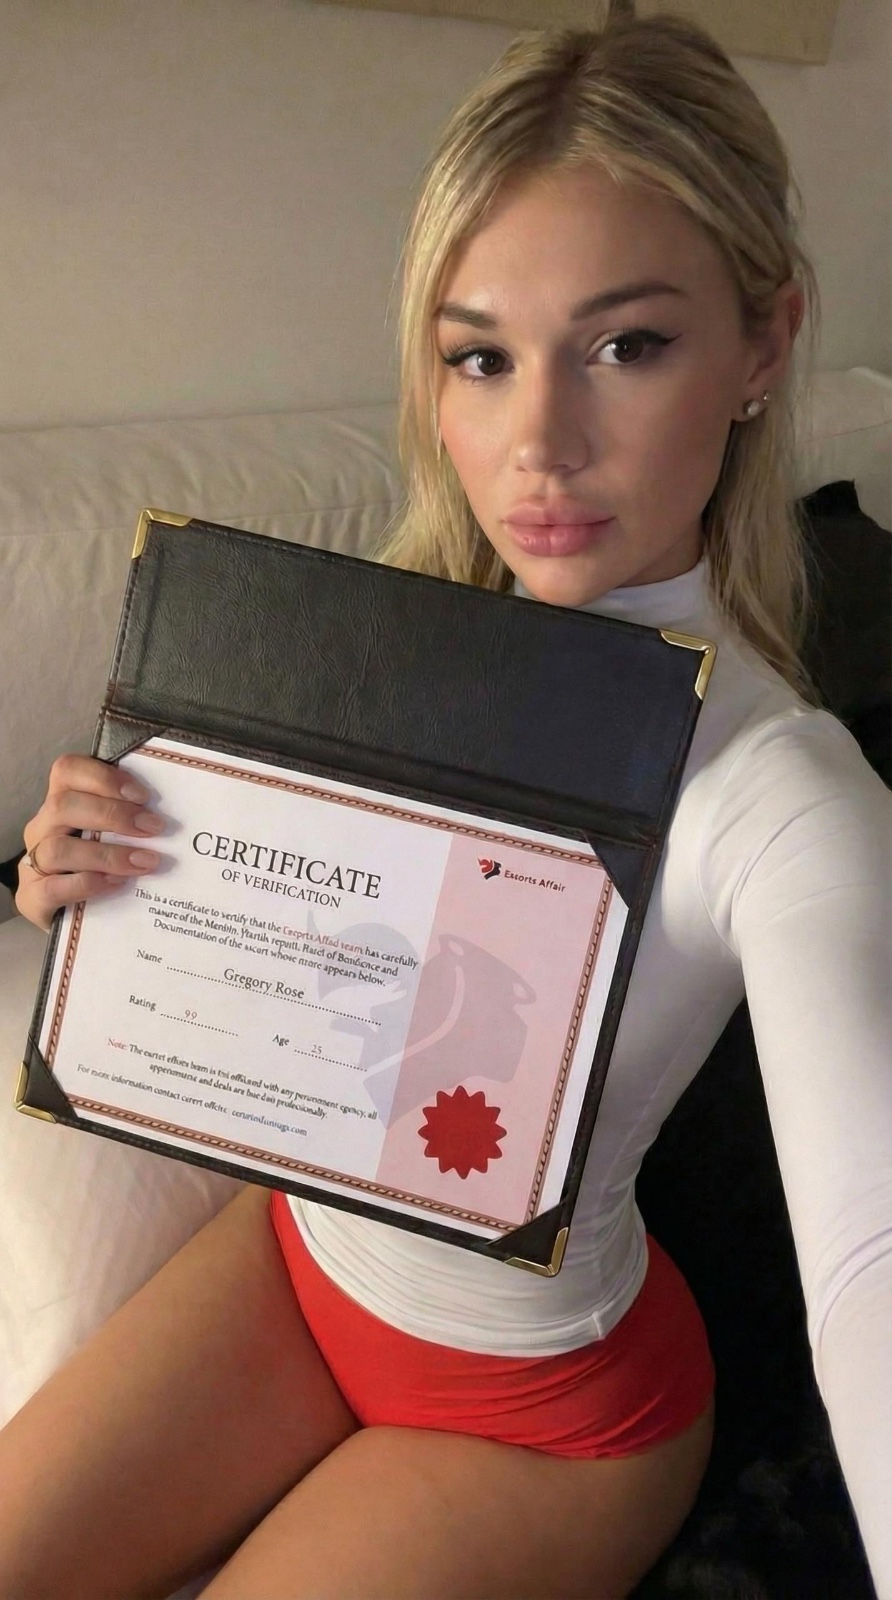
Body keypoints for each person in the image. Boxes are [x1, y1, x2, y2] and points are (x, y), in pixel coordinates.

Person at [2, 11, 889, 1599]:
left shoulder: (784, 794)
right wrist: (90, 877)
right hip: (295, 1265)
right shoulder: (367, 646)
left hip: (543, 1415)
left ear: (766, 344)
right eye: (482, 356)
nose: (538, 442)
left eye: (626, 346)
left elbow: (874, 1263)